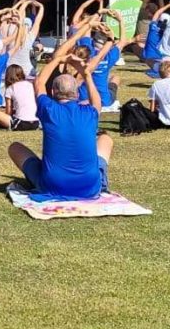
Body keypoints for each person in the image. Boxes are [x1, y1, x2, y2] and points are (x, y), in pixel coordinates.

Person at [7, 28, 113, 201]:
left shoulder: (48, 109)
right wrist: (86, 74)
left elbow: (39, 82)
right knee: (106, 139)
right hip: (89, 185)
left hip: (53, 184)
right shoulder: (90, 112)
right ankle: (102, 184)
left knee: (15, 147)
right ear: (77, 94)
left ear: (52, 92)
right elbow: (97, 101)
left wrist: (58, 59)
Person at [0, 64, 39, 131]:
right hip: (36, 122)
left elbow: (8, 113)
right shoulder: (30, 85)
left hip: (21, 123)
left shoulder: (10, 89)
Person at [6, 0, 44, 75]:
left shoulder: (12, 33)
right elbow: (37, 21)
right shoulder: (30, 37)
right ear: (29, 27)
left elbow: (13, 13)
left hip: (10, 69)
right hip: (26, 70)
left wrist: (24, 3)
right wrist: (41, 7)